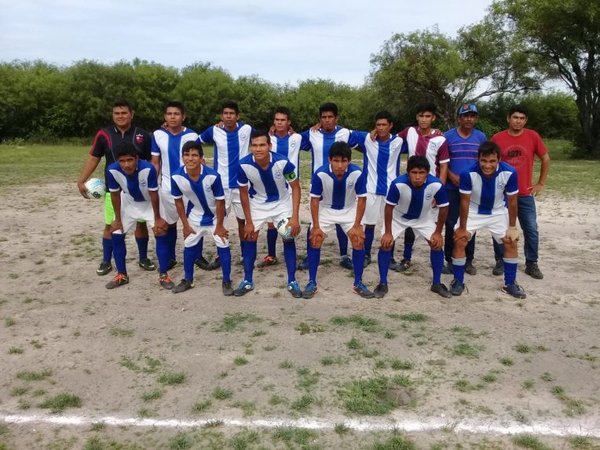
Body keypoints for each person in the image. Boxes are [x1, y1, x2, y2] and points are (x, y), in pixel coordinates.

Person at [77, 100, 156, 276]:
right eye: (116, 113)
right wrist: (82, 180)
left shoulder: (142, 135)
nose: (120, 116)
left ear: (131, 114)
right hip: (113, 191)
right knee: (111, 225)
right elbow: (93, 157)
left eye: (124, 113)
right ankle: (106, 260)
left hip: (138, 191)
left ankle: (143, 258)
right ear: (112, 115)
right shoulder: (103, 135)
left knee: (141, 224)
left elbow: (152, 161)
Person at [449, 141, 526, 299]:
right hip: (473, 210)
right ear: (478, 159)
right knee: (460, 239)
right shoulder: (467, 173)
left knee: (511, 240)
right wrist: (462, 228)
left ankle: (510, 283)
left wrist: (512, 226)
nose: (487, 165)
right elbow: (464, 201)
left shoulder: (510, 172)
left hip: (497, 211)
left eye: (492, 161)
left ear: (499, 160)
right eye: (484, 161)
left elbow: (512, 201)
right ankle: (457, 281)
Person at [235, 130, 302, 298]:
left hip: (281, 203)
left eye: (262, 145)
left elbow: (296, 187)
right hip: (257, 203)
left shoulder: (283, 163)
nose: (258, 149)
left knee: (288, 235)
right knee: (250, 236)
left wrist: (294, 217)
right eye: (255, 145)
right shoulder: (243, 165)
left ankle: (292, 280)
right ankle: (247, 280)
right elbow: (243, 193)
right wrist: (248, 221)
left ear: (269, 146)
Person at [302, 141, 373, 299]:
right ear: (330, 160)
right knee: (315, 238)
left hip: (348, 209)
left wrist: (356, 225)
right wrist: (316, 226)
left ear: (349, 161)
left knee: (358, 239)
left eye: (343, 161)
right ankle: (312, 281)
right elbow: (314, 201)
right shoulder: (320, 174)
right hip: (325, 209)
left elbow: (361, 200)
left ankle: (358, 282)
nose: (340, 165)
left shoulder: (357, 173)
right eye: (336, 160)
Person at [375, 156, 451, 299]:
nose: (417, 177)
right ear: (407, 172)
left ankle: (436, 283)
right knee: (385, 244)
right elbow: (389, 208)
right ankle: (383, 283)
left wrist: (438, 232)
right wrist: (388, 233)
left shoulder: (436, 185)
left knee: (436, 244)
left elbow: (444, 208)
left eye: (421, 173)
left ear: (427, 173)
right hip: (398, 218)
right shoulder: (397, 184)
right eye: (414, 172)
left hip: (423, 218)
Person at [491, 105, 550, 280]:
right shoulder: (498, 138)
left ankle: (531, 263)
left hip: (524, 193)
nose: (518, 121)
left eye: (522, 118)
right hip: (502, 194)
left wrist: (540, 183)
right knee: (501, 229)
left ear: (526, 121)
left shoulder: (532, 136)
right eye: (515, 117)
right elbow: (490, 162)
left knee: (531, 229)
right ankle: (501, 260)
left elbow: (545, 158)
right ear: (508, 118)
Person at [170, 141, 234, 295]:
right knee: (189, 244)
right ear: (182, 157)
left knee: (222, 243)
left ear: (201, 158)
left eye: (194, 155)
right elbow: (178, 202)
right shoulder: (176, 177)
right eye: (186, 155)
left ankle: (226, 281)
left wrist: (219, 226)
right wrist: (185, 224)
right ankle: (188, 280)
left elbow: (220, 202)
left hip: (216, 216)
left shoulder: (212, 176)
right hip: (195, 215)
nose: (190, 158)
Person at [104, 142, 168, 289]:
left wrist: (157, 218)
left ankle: (164, 274)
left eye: (130, 160)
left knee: (160, 231)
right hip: (129, 201)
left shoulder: (148, 169)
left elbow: (153, 194)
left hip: (150, 203)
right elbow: (114, 195)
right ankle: (122, 275)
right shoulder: (112, 171)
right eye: (122, 161)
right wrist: (117, 219)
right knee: (117, 232)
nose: (126, 165)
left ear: (137, 159)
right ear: (117, 161)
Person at [394, 102, 450, 272]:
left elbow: (444, 167)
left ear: (433, 118)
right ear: (416, 117)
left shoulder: (440, 139)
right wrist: (375, 133)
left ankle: (439, 260)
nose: (424, 119)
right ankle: (406, 258)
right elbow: (390, 140)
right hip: (411, 185)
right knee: (410, 222)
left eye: (428, 116)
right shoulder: (409, 132)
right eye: (421, 116)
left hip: (430, 188)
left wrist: (438, 190)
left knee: (433, 224)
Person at [151, 101, 199, 289]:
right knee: (165, 227)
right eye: (169, 114)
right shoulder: (158, 135)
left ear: (183, 116)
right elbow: (155, 162)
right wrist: (152, 185)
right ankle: (165, 267)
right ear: (165, 116)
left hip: (189, 188)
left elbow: (197, 160)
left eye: (176, 114)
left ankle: (196, 258)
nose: (172, 117)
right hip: (167, 189)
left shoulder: (192, 135)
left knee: (193, 224)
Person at [299, 102, 353, 270]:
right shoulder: (312, 133)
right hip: (318, 186)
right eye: (324, 117)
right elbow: (290, 136)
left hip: (341, 184)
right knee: (314, 222)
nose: (327, 120)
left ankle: (344, 256)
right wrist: (274, 129)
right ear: (319, 119)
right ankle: (311, 255)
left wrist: (374, 132)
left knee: (340, 220)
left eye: (330, 117)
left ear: (336, 118)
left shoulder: (346, 133)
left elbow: (370, 138)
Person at [199, 101, 253, 266]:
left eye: (231, 113)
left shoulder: (247, 129)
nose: (228, 116)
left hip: (241, 185)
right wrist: (201, 161)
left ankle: (245, 255)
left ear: (237, 116)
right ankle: (220, 255)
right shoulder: (214, 130)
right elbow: (195, 142)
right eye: (225, 113)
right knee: (219, 221)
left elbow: (267, 137)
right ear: (221, 116)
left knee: (242, 221)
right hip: (221, 185)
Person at [348, 110, 404, 266]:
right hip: (371, 189)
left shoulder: (399, 141)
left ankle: (390, 256)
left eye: (384, 125)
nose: (380, 128)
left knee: (389, 225)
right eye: (378, 125)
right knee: (369, 224)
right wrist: (318, 126)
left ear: (391, 125)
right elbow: (344, 132)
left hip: (391, 192)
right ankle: (366, 255)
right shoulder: (367, 139)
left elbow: (419, 134)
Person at [443, 104, 487, 276]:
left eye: (472, 116)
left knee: (469, 223)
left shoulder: (481, 137)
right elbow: (443, 162)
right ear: (459, 118)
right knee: (450, 223)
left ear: (476, 119)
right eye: (465, 116)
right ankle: (450, 259)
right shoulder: (448, 137)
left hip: (473, 188)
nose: (469, 119)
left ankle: (468, 260)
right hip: (451, 186)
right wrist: (452, 176)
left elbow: (484, 161)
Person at [257, 106, 302, 268]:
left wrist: (316, 127)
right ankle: (271, 255)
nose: (279, 122)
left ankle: (291, 258)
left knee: (287, 225)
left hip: (291, 188)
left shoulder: (297, 138)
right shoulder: (268, 139)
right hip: (273, 188)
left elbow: (318, 136)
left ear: (289, 122)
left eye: (283, 120)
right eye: (277, 120)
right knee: (271, 223)